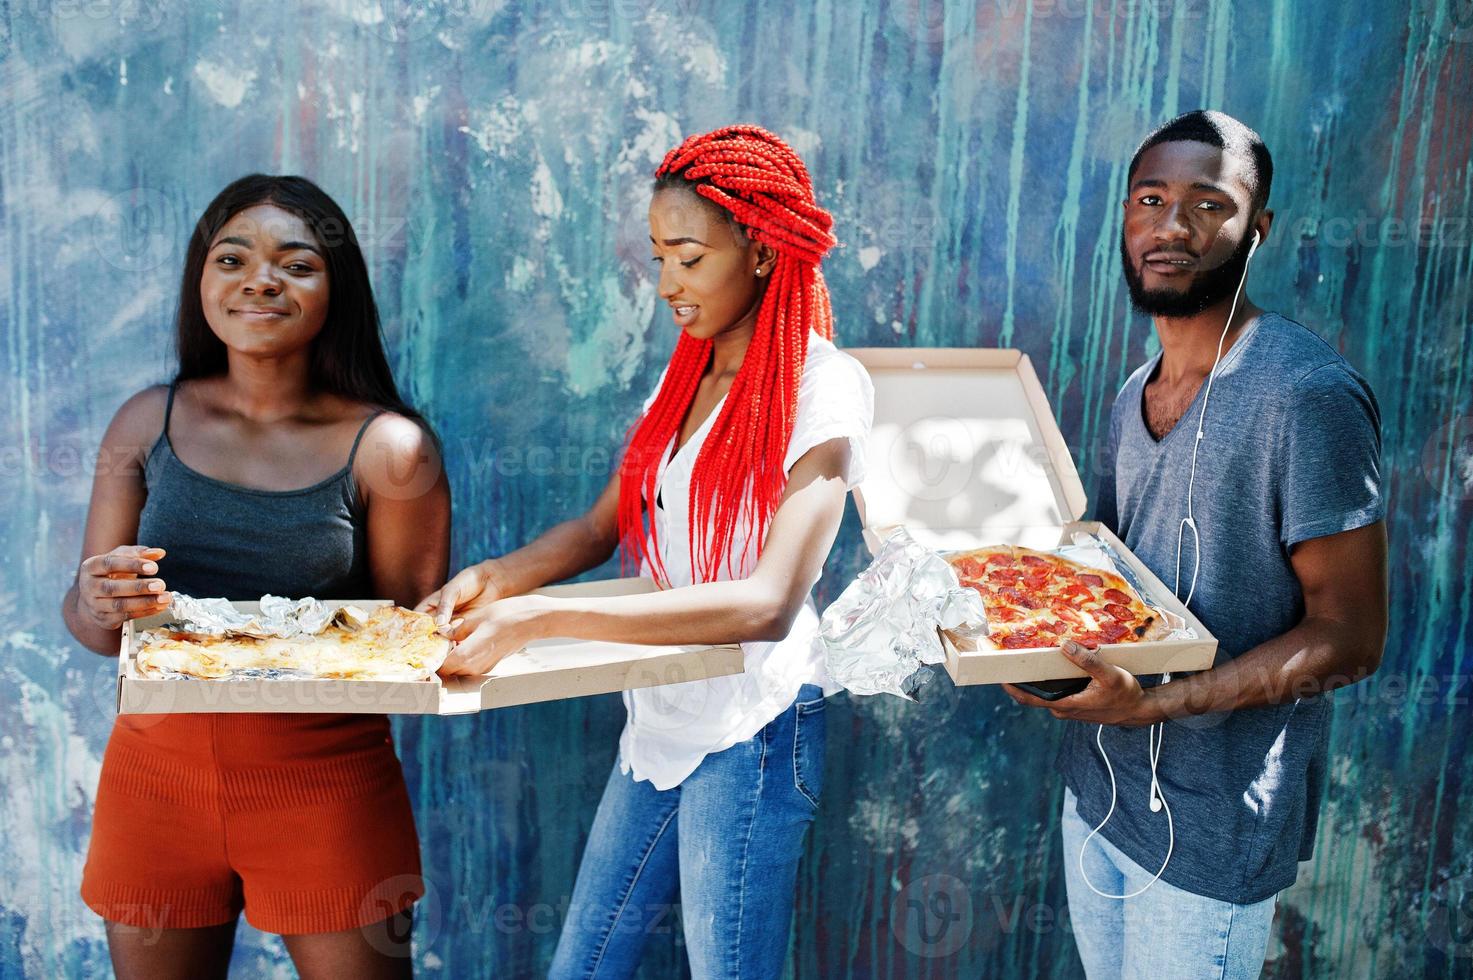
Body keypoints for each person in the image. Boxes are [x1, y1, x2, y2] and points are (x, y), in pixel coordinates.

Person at [419, 125, 873, 979]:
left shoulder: (825, 387)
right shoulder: (687, 374)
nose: (667, 283)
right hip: (662, 716)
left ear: (764, 252)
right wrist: (497, 578)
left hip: (756, 730)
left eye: (689, 258)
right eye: (658, 256)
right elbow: (601, 527)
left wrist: (538, 616)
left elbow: (766, 604)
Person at [1003, 111, 1388, 978]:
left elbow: (1350, 637)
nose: (1172, 226)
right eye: (1151, 199)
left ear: (1258, 228)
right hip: (1098, 799)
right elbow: (1105, 581)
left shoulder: (1307, 395)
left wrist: (1158, 704)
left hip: (1209, 834)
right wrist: (1013, 638)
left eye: (1207, 204)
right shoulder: (1131, 391)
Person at [64, 175, 451, 979]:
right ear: (200, 282)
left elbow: (409, 650)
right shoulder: (145, 423)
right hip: (151, 786)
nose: (260, 280)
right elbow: (99, 631)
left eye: (296, 264)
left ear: (335, 289)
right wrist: (98, 595)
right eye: (231, 258)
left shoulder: (390, 450)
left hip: (326, 789)